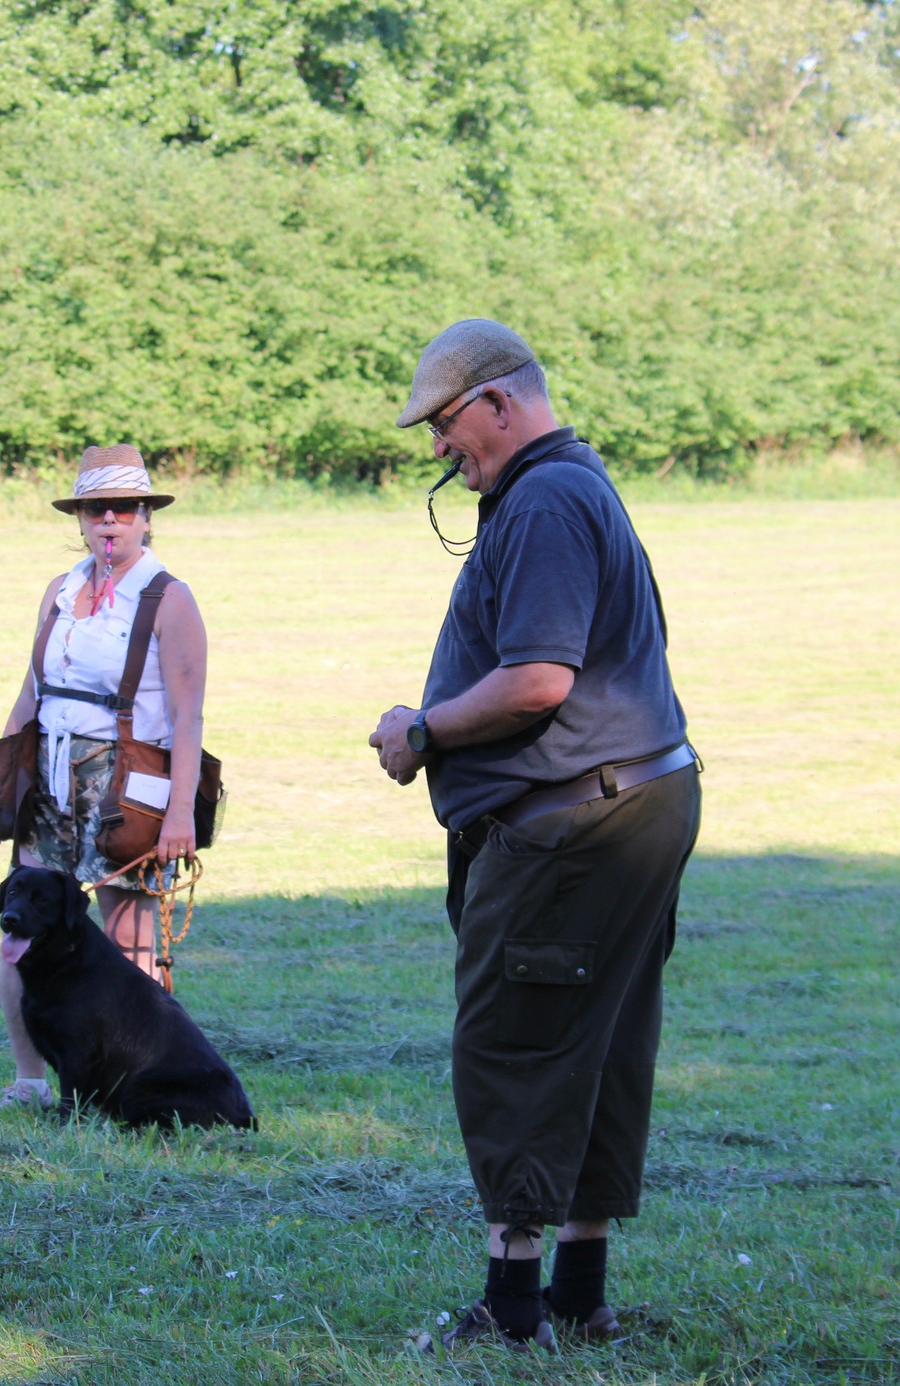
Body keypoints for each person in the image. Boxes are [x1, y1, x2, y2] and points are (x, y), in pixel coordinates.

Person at [366, 321, 702, 1350]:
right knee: (598, 1040)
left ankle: (513, 1313)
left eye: (443, 423)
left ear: (499, 403)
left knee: (514, 1041)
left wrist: (422, 730)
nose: (437, 447)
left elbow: (538, 681)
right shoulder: (567, 484)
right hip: (631, 799)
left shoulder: (546, 500)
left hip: (575, 818)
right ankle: (577, 1295)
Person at [0, 444, 208, 1108]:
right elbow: (32, 689)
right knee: (22, 927)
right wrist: (7, 776)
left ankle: (134, 1079)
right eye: (95, 510)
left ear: (146, 515)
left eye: (123, 508)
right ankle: (32, 1080)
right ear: (80, 519)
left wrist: (180, 814)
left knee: (129, 941)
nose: (109, 520)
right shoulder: (60, 590)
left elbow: (188, 716)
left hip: (127, 782)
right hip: (50, 777)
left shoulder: (168, 597)